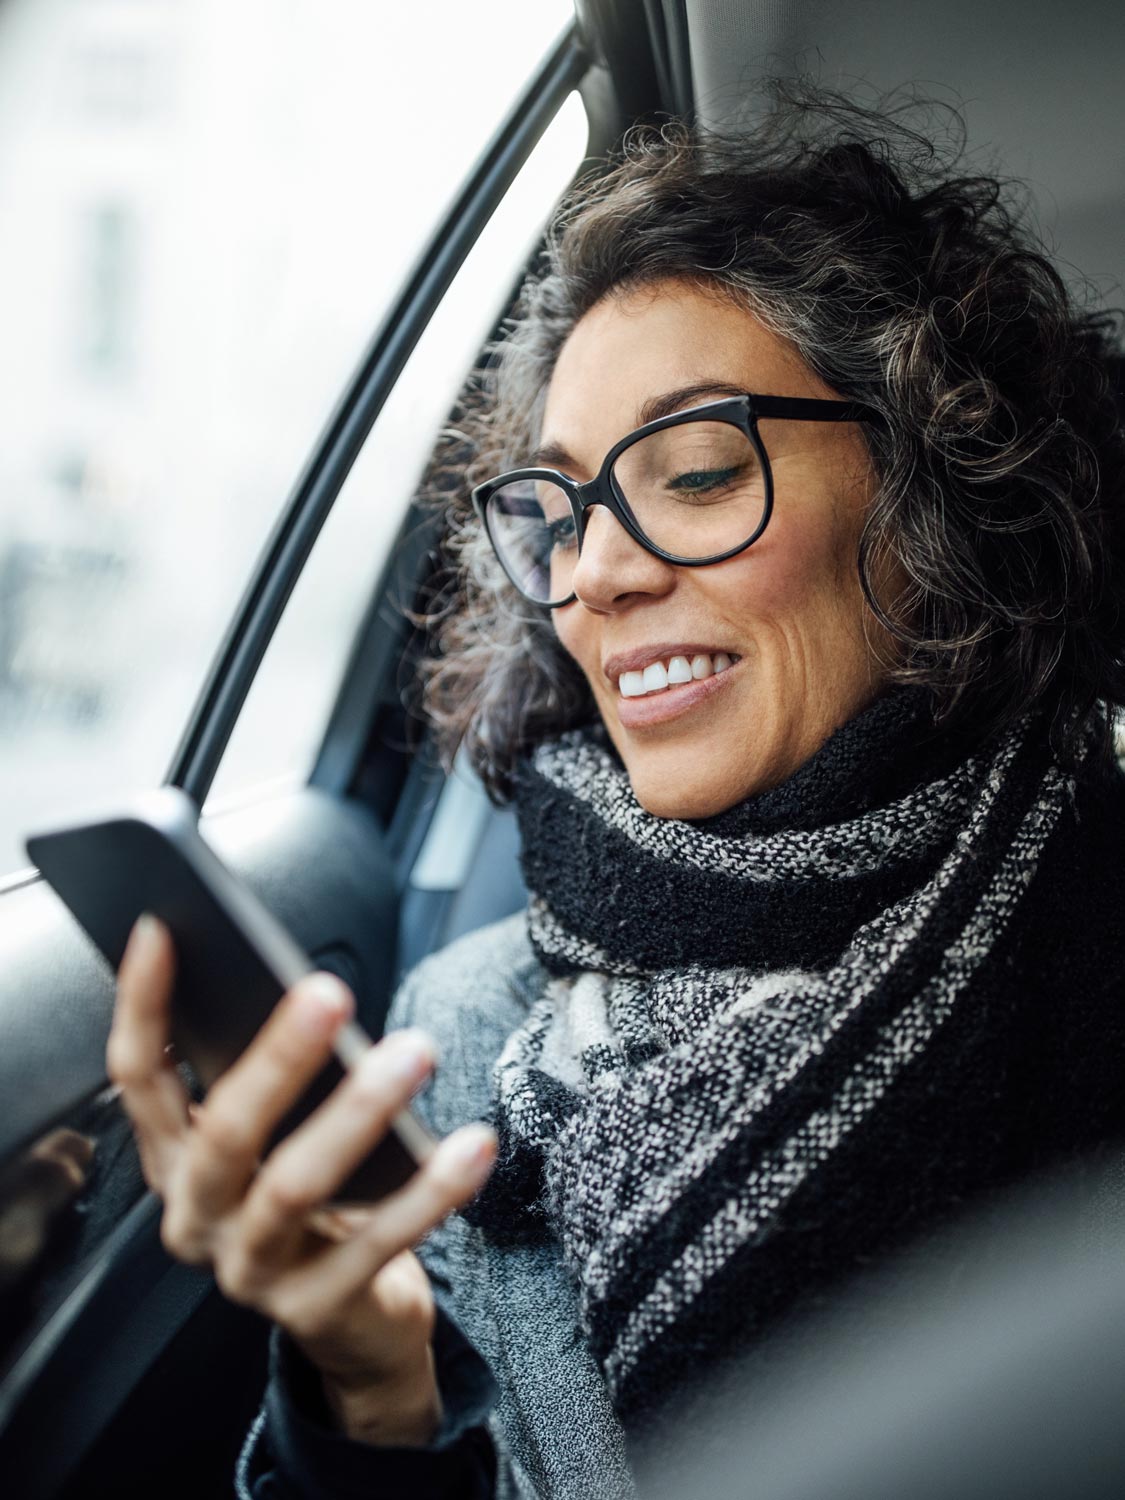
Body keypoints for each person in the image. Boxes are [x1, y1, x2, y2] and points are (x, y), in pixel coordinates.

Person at [106, 92, 1125, 1500]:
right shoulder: (461, 1036)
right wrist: (370, 1384)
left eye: (695, 472)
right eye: (561, 509)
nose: (595, 577)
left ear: (931, 491)